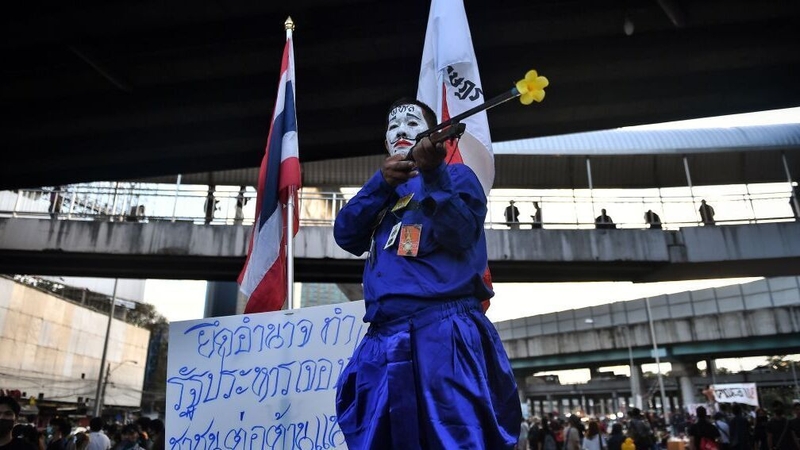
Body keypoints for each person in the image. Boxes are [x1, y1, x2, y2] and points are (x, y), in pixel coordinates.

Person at [333, 98, 521, 449]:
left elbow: (461, 234)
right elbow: (345, 234)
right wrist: (379, 184)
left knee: (456, 436)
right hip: (382, 338)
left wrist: (433, 174)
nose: (401, 130)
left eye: (411, 123)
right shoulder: (383, 192)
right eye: (392, 126)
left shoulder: (458, 177)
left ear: (434, 135)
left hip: (442, 332)